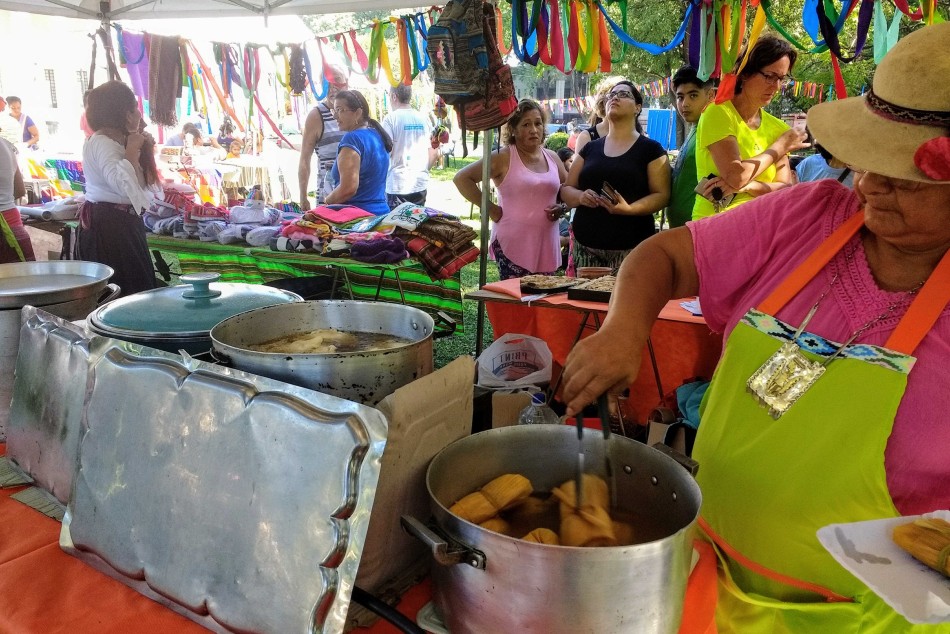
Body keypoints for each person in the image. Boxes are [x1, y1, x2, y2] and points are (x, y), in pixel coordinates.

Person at [562, 22, 950, 633]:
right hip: (706, 580)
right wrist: (623, 330)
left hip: (866, 620)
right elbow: (661, 256)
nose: (870, 184)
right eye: (868, 159)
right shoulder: (811, 216)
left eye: (902, 174)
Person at [692, 34, 809, 220]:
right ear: (745, 73)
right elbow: (735, 176)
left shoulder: (778, 127)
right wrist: (779, 147)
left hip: (762, 226)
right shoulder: (718, 112)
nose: (776, 86)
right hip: (716, 227)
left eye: (782, 78)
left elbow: (784, 189)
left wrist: (748, 186)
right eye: (770, 76)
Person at [560, 81, 670, 275]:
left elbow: (661, 195)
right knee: (585, 303)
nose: (615, 97)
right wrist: (580, 197)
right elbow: (567, 189)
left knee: (625, 305)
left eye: (624, 94)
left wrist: (629, 209)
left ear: (637, 108)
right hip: (586, 249)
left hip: (631, 249)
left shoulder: (652, 150)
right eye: (611, 95)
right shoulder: (589, 148)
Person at [453, 99, 567, 279]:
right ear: (513, 129)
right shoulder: (503, 156)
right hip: (513, 246)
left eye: (538, 123)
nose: (534, 130)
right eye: (526, 124)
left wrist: (563, 208)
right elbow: (461, 179)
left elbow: (568, 191)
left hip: (546, 246)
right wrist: (491, 209)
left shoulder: (552, 157)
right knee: (515, 303)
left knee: (542, 303)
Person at [79, 81, 161, 297]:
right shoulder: (101, 142)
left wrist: (142, 148)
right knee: (123, 293)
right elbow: (124, 187)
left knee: (137, 288)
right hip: (110, 228)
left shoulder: (118, 142)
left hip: (123, 224)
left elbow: (145, 185)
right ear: (124, 113)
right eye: (134, 108)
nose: (138, 114)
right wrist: (133, 148)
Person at [323, 90, 392, 216]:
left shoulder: (352, 139)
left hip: (357, 220)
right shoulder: (376, 135)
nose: (335, 116)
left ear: (358, 113)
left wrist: (327, 201)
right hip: (381, 215)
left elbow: (348, 188)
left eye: (339, 110)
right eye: (334, 110)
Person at [667, 67, 715, 228]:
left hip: (699, 229)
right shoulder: (696, 128)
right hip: (682, 230)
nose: (685, 104)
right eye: (680, 97)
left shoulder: (713, 131)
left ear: (711, 96)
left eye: (693, 95)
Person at [297, 64, 349, 211]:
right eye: (326, 84)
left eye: (337, 80)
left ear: (347, 82)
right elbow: (304, 159)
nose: (332, 89)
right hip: (329, 197)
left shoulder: (357, 110)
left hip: (357, 196)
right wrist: (303, 197)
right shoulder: (316, 116)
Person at [382, 84, 436, 208]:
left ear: (394, 96)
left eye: (389, 96)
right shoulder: (423, 118)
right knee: (416, 225)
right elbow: (433, 152)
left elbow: (385, 152)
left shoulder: (390, 119)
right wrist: (423, 170)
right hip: (419, 183)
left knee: (396, 226)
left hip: (397, 185)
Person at [0, 136, 34, 262]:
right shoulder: (6, 144)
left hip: (7, 233)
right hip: (13, 227)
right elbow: (20, 190)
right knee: (19, 279)